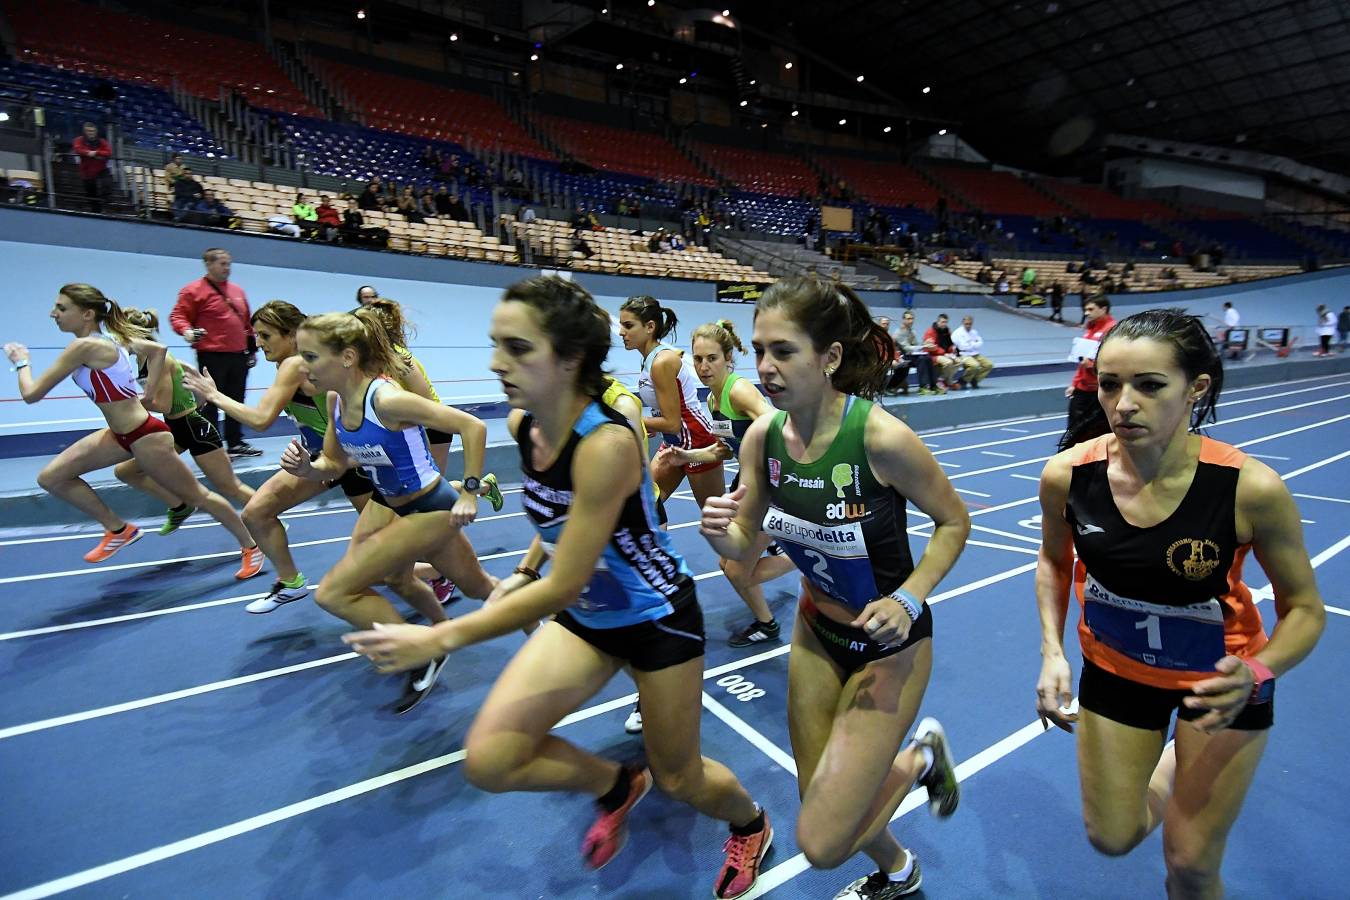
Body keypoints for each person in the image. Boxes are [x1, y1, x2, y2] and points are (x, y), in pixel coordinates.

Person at [343, 277, 774, 899]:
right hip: (588, 618)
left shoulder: (606, 443)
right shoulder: (525, 424)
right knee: (492, 759)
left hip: (655, 619)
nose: (496, 362)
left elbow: (566, 577)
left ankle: (751, 824)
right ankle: (615, 783)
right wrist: (520, 571)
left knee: (681, 779)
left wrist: (441, 634)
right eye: (496, 345)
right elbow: (560, 528)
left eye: (517, 348)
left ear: (570, 358)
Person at [1034, 308, 1325, 899]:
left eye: (1149, 384)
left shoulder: (1251, 489)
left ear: (1196, 388)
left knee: (1190, 865)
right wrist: (1051, 652)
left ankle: (1188, 746)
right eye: (1110, 383)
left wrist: (1256, 671)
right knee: (1112, 838)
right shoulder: (1068, 475)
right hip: (1118, 672)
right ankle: (1177, 755)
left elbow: (1305, 610)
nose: (1123, 404)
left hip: (1221, 685)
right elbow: (1054, 562)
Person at [699, 275, 967, 899]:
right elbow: (743, 541)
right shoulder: (762, 439)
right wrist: (719, 533)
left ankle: (920, 758)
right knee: (820, 798)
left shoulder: (881, 438)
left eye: (783, 351)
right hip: (816, 634)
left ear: (831, 358)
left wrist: (909, 596)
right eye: (760, 350)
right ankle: (899, 871)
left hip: (890, 646)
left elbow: (955, 522)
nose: (765, 368)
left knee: (822, 844)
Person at [279, 309, 499, 713]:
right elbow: (334, 463)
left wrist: (469, 492)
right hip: (389, 504)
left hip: (431, 506)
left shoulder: (388, 399)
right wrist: (307, 469)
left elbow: (473, 426)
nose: (299, 365)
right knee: (446, 584)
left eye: (309, 356)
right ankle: (445, 633)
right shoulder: (334, 401)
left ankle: (429, 648)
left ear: (346, 357)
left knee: (333, 592)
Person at [4, 284, 263, 575]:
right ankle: (118, 530)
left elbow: (32, 394)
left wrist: (21, 361)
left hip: (145, 435)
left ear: (87, 314)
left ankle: (252, 545)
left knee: (200, 496)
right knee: (52, 477)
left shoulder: (85, 346)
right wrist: (148, 394)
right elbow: (157, 349)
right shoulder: (110, 340)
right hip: (119, 435)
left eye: (62, 308)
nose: (54, 314)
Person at [661, 320, 795, 647]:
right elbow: (723, 448)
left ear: (728, 360)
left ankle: (801, 558)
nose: (704, 367)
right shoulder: (713, 400)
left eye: (712, 359)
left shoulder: (737, 390)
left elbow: (777, 424)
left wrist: (764, 471)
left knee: (736, 570)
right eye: (698, 359)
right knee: (727, 562)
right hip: (749, 484)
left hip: (770, 486)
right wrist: (686, 456)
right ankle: (799, 551)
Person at [112, 307, 254, 534]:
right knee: (126, 471)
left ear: (130, 335)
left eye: (118, 336)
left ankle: (267, 514)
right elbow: (184, 381)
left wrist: (124, 403)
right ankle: (179, 505)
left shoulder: (161, 359)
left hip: (193, 429)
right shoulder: (141, 360)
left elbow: (164, 404)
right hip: (174, 430)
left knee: (229, 486)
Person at [619, 296, 725, 520]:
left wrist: (629, 420)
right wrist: (652, 422)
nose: (621, 332)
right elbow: (666, 418)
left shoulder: (661, 362)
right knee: (642, 506)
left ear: (649, 327)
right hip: (674, 441)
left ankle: (755, 546)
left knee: (718, 521)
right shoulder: (649, 360)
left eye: (628, 326)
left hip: (697, 439)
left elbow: (672, 422)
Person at [171, 249, 261, 459]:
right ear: (208, 264)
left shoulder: (237, 290)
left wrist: (252, 349)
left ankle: (236, 443)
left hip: (238, 355)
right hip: (211, 356)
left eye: (229, 263)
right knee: (210, 401)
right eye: (222, 264)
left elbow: (246, 322)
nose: (227, 268)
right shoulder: (192, 291)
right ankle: (213, 446)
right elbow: (178, 316)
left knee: (236, 400)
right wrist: (186, 331)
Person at [1059, 297, 1116, 452]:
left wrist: (1091, 365)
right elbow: (1081, 361)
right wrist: (1074, 383)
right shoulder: (1090, 328)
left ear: (1103, 309)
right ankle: (1071, 459)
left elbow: (1113, 362)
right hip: (1082, 388)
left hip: (1099, 390)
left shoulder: (1112, 330)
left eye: (1091, 309)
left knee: (1096, 430)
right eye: (1086, 309)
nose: (1086, 313)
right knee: (1074, 427)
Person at [896, 310, 941, 395]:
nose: (911, 321)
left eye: (912, 319)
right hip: (903, 356)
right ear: (903, 320)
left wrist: (925, 343)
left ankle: (933, 385)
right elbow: (906, 348)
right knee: (922, 359)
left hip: (912, 356)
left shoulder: (912, 331)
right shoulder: (899, 332)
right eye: (908, 319)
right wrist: (923, 346)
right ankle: (923, 387)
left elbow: (916, 346)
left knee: (927, 357)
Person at [72, 122, 112, 213]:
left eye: (93, 131)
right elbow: (78, 149)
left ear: (96, 131)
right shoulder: (79, 140)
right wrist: (87, 153)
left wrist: (95, 153)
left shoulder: (101, 141)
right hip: (87, 172)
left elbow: (108, 152)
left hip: (101, 169)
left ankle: (105, 204)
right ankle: (96, 211)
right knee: (91, 193)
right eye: (89, 131)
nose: (91, 133)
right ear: (85, 131)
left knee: (107, 184)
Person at [922, 313, 966, 389]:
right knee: (948, 362)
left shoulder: (947, 331)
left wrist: (952, 352)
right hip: (932, 355)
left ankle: (948, 380)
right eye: (942, 322)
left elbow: (950, 345)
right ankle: (940, 380)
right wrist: (944, 353)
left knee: (959, 361)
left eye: (946, 322)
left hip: (944, 354)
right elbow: (930, 348)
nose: (944, 324)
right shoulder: (930, 332)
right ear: (938, 322)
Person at [950, 315, 995, 388]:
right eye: (966, 324)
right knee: (975, 365)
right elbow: (963, 347)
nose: (968, 325)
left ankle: (975, 380)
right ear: (963, 323)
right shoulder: (957, 333)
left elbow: (980, 343)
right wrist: (974, 344)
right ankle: (962, 381)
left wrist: (971, 344)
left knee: (989, 365)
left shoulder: (974, 332)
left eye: (970, 324)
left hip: (975, 353)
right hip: (962, 354)